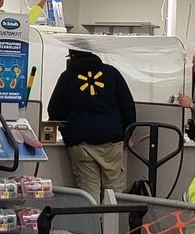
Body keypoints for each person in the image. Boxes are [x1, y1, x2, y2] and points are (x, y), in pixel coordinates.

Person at [47, 46, 137, 197]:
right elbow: (127, 107)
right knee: (113, 193)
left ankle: (93, 213)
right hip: (112, 141)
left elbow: (54, 111)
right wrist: (127, 135)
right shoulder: (111, 72)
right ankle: (112, 213)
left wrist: (67, 131)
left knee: (89, 194)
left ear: (72, 56)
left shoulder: (67, 77)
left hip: (81, 143)